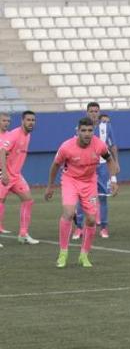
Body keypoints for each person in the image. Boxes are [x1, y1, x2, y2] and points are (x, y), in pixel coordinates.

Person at [45, 117, 119, 268]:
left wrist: (113, 180)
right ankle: (63, 253)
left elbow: (110, 160)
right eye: (83, 130)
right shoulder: (66, 147)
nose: (87, 134)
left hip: (89, 182)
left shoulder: (99, 145)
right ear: (77, 131)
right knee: (69, 213)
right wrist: (50, 186)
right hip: (70, 180)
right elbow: (55, 165)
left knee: (91, 219)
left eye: (90, 130)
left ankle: (83, 255)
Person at [73, 103, 119, 239]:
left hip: (102, 166)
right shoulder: (80, 128)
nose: (94, 113)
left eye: (96, 111)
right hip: (86, 167)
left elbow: (113, 145)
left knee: (103, 197)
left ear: (99, 113)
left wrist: (116, 162)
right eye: (91, 111)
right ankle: (79, 228)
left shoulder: (106, 126)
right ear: (87, 112)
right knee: (82, 198)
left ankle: (104, 228)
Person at [0, 110, 39, 245]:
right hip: (4, 173)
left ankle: (23, 234)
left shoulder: (27, 135)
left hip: (16, 175)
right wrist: (4, 173)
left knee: (28, 200)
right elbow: (2, 151)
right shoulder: (14, 134)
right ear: (22, 121)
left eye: (33, 120)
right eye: (28, 120)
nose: (31, 122)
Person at [0, 112, 12, 235]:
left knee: (2, 199)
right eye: (4, 120)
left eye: (8, 121)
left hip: (5, 171)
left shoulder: (10, 135)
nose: (6, 123)